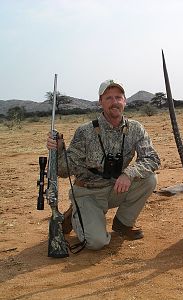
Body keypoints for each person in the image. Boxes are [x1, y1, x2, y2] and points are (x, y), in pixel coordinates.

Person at [46, 79, 160, 250]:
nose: (115, 102)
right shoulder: (85, 131)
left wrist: (129, 173)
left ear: (125, 101)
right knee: (96, 243)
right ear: (100, 102)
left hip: (116, 188)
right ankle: (74, 215)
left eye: (118, 97)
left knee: (149, 179)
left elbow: (152, 158)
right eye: (109, 98)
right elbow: (63, 171)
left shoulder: (136, 128)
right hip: (88, 193)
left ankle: (123, 224)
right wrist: (59, 150)